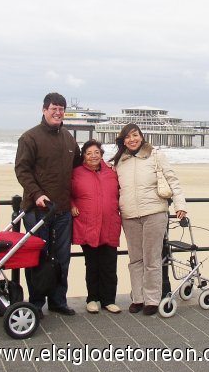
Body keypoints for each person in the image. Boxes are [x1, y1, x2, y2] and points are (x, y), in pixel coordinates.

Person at [15, 92, 82, 317]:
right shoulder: (29, 138)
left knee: (62, 257)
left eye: (61, 109)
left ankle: (58, 301)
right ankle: (35, 303)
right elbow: (22, 170)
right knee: (37, 257)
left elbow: (80, 166)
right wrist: (36, 194)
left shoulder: (68, 138)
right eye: (53, 108)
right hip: (37, 210)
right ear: (44, 110)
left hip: (62, 211)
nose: (58, 112)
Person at [111, 123, 187, 316]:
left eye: (135, 135)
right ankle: (138, 298)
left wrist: (180, 206)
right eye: (127, 137)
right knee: (135, 259)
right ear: (123, 140)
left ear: (141, 136)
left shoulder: (156, 155)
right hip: (128, 216)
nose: (132, 139)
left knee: (152, 259)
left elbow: (173, 181)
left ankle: (152, 300)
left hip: (154, 213)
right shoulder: (121, 160)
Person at [71, 139, 122, 314]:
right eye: (89, 153)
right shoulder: (76, 173)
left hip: (109, 225)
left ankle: (109, 300)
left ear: (101, 155)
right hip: (88, 225)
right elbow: (66, 193)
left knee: (109, 264)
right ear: (83, 156)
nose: (93, 156)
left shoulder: (111, 171)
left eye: (96, 153)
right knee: (92, 264)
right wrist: (71, 205)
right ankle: (92, 299)